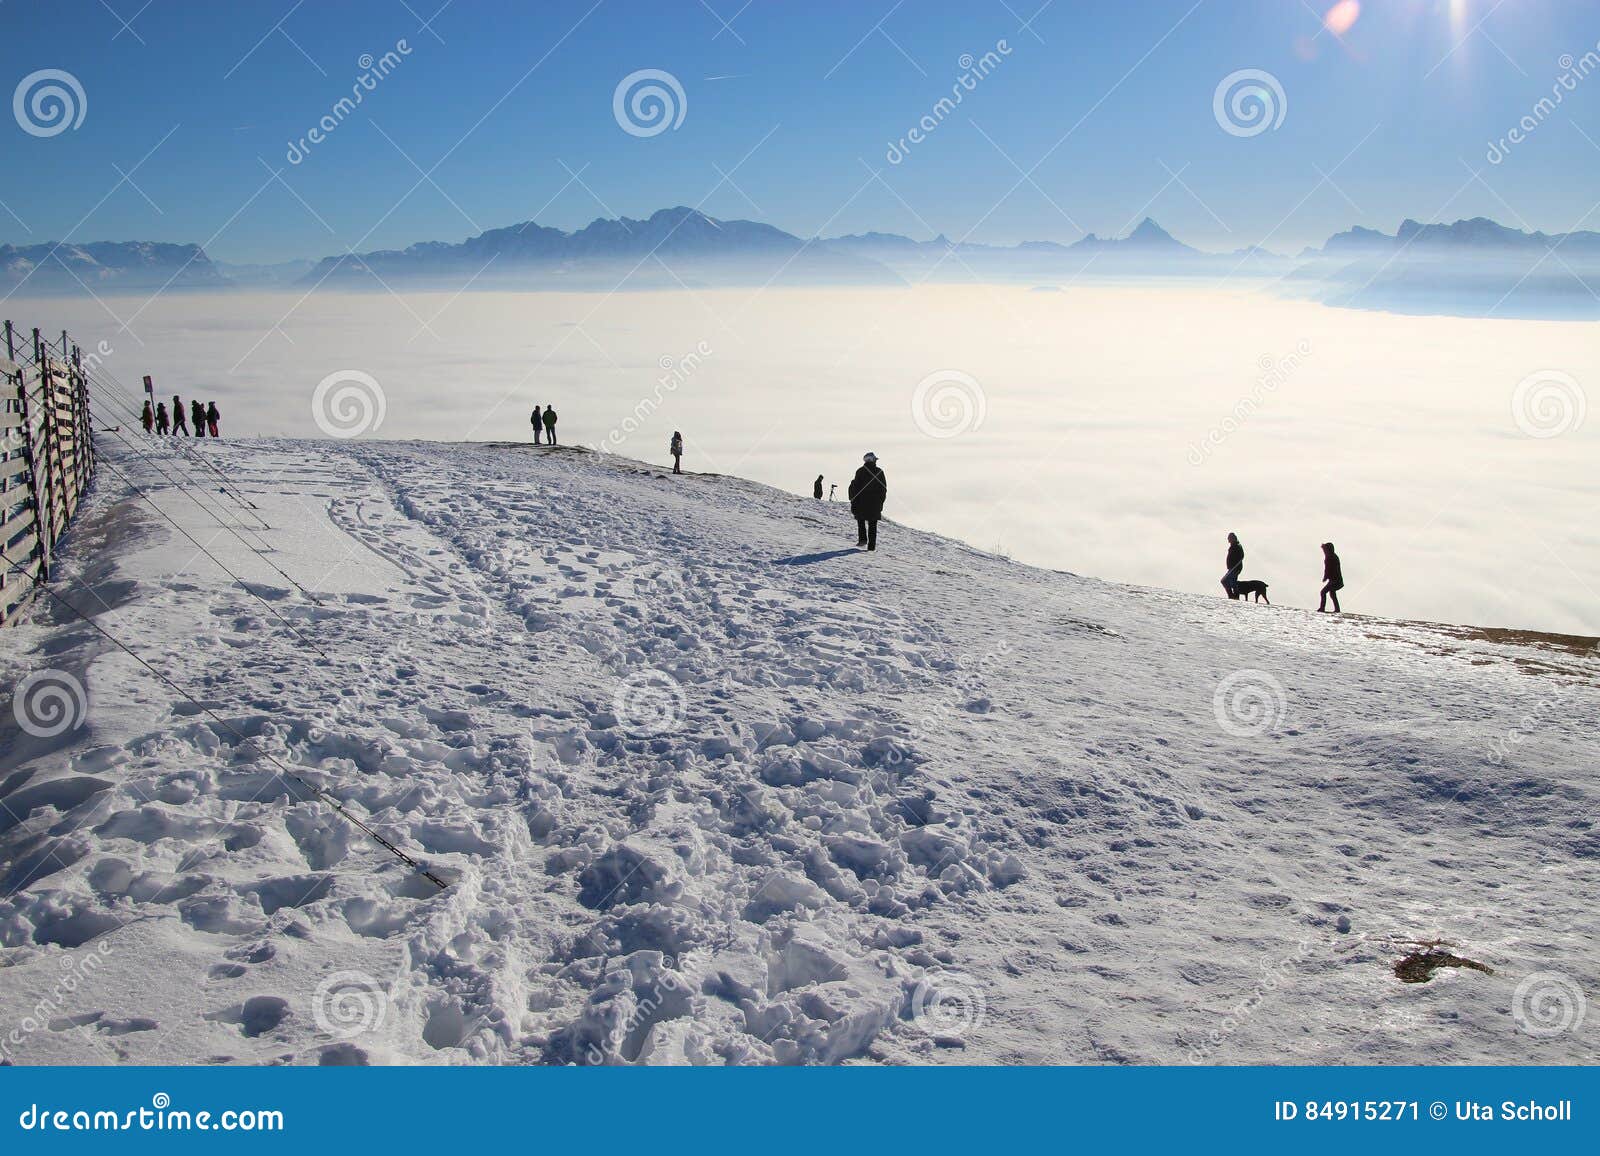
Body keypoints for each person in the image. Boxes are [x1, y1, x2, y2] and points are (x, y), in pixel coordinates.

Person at [848, 452, 887, 551]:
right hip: (875, 503)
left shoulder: (860, 471)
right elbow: (883, 489)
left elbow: (855, 487)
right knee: (873, 524)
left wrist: (854, 501)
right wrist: (880, 502)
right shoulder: (879, 472)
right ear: (873, 460)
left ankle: (862, 539)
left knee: (860, 520)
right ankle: (871, 547)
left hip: (861, 501)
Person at [1319, 542, 1344, 613]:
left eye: (1325, 550)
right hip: (1336, 580)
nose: (1324, 552)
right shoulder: (1332, 556)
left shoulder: (1330, 557)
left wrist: (1325, 577)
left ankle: (1322, 608)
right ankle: (1337, 609)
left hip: (1335, 581)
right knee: (1332, 593)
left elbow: (1328, 569)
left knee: (1323, 592)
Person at [1221, 532, 1244, 599]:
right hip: (1233, 568)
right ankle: (1233, 596)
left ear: (1233, 538)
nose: (1228, 539)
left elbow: (1242, 556)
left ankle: (1233, 596)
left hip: (1235, 568)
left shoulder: (1237, 545)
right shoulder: (1234, 545)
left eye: (1229, 538)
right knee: (1230, 581)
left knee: (1226, 581)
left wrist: (1235, 566)